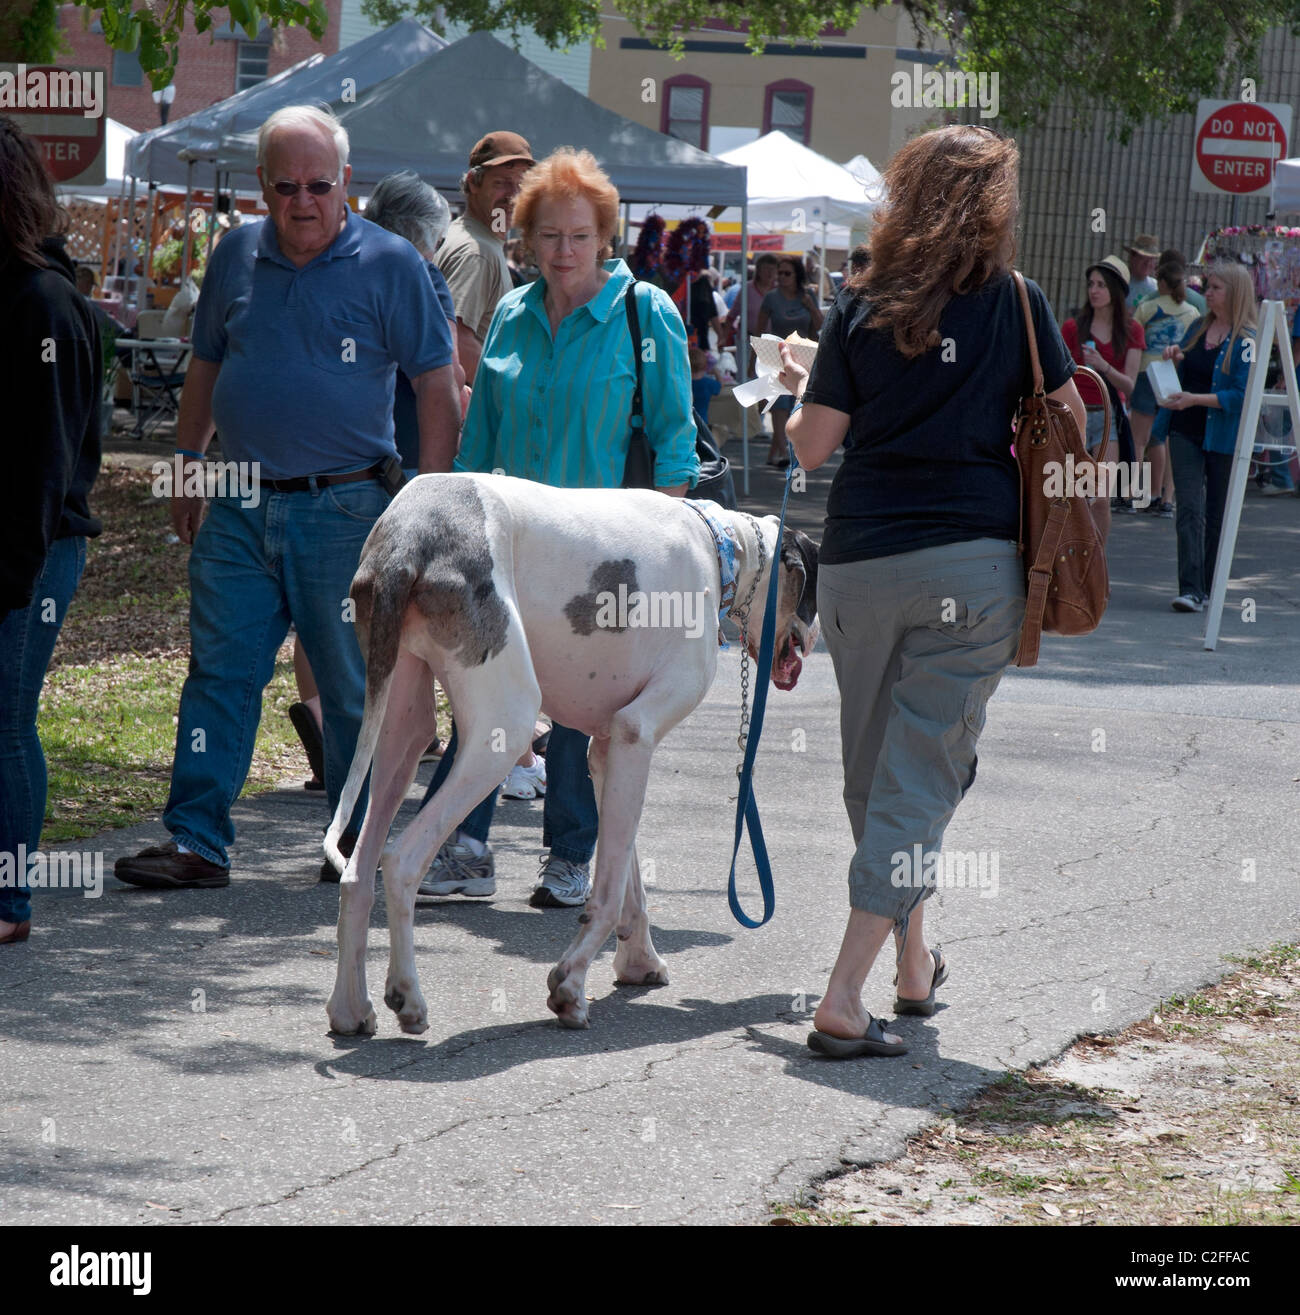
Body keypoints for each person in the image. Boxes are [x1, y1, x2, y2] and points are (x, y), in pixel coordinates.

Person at [776, 124, 1084, 1059]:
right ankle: (841, 994)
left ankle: (913, 966)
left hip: (861, 564)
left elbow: (812, 445)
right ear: (994, 206)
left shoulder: (861, 301)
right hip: (974, 566)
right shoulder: (1020, 305)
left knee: (880, 781)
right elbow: (1070, 427)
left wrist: (801, 384)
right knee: (917, 779)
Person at [114, 105, 460, 891]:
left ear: (347, 183)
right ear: (261, 187)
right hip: (237, 500)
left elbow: (437, 385)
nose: (303, 201)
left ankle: (355, 847)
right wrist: (184, 462)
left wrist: (428, 498)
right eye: (285, 186)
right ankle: (198, 841)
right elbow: (205, 364)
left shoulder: (392, 264)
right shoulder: (235, 255)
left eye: (319, 185)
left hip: (347, 510)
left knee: (347, 686)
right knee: (219, 673)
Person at [417, 146, 698, 909]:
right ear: (525, 238)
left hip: (606, 550)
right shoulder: (510, 313)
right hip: (509, 547)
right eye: (548, 236)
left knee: (583, 713)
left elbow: (675, 445)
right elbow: (477, 447)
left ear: (605, 236)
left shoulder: (646, 314)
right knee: (484, 691)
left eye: (579, 236)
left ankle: (570, 854)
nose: (564, 252)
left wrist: (656, 556)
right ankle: (464, 847)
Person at [0, 117, 104, 946]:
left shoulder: (47, 305)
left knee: (5, 716)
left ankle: (10, 899)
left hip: (29, 549)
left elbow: (46, 460)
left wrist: (14, 574)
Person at [1156, 261, 1255, 613]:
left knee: (1216, 512)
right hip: (1184, 429)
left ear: (1233, 292)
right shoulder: (1198, 326)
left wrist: (1195, 399)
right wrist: (1174, 356)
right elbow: (1185, 365)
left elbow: (1242, 397)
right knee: (1189, 508)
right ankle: (1191, 588)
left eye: (1214, 287)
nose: (1206, 293)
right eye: (1207, 286)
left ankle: (1210, 585)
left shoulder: (1247, 341)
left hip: (1222, 436)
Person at [434, 131, 534, 383]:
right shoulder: (477, 252)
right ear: (472, 183)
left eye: (521, 185)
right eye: (501, 182)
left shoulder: (465, 235)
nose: (513, 195)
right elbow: (457, 342)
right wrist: (510, 394)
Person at [1060, 256, 1145, 540]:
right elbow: (1059, 376)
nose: (1094, 290)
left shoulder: (1132, 330)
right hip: (1075, 416)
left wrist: (1104, 367)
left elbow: (1131, 385)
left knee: (1099, 499)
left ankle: (1097, 569)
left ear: (1116, 291)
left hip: (1108, 417)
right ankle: (1073, 564)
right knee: (1073, 496)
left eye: (1101, 285)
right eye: (1091, 284)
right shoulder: (1073, 327)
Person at [1132, 261, 1200, 517]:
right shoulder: (1193, 313)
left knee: (1141, 439)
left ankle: (1134, 493)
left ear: (1161, 283)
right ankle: (1166, 497)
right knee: (1167, 437)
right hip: (1174, 377)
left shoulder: (1147, 308)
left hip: (1146, 373)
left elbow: (1134, 339)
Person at [758, 255, 823, 467]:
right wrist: (753, 363)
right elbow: (759, 331)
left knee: (798, 403)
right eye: (780, 273)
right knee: (779, 405)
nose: (782, 277)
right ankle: (786, 452)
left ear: (797, 275)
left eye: (787, 273)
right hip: (777, 356)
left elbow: (821, 324)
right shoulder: (771, 298)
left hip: (804, 358)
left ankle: (774, 454)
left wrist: (810, 306)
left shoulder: (808, 295)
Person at [724, 251, 778, 345]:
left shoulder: (779, 290)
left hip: (772, 342)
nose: (769, 273)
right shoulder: (747, 289)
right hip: (747, 340)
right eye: (766, 269)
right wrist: (723, 338)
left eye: (773, 269)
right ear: (759, 271)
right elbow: (731, 316)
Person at [1124, 233, 1161, 307]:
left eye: (1151, 259)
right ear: (1132, 258)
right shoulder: (1119, 283)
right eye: (1143, 258)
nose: (1147, 263)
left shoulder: (1157, 287)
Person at [689, 344, 722, 423]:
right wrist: (716, 372)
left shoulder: (683, 383)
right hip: (702, 421)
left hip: (685, 422)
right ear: (705, 366)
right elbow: (720, 385)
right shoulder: (708, 383)